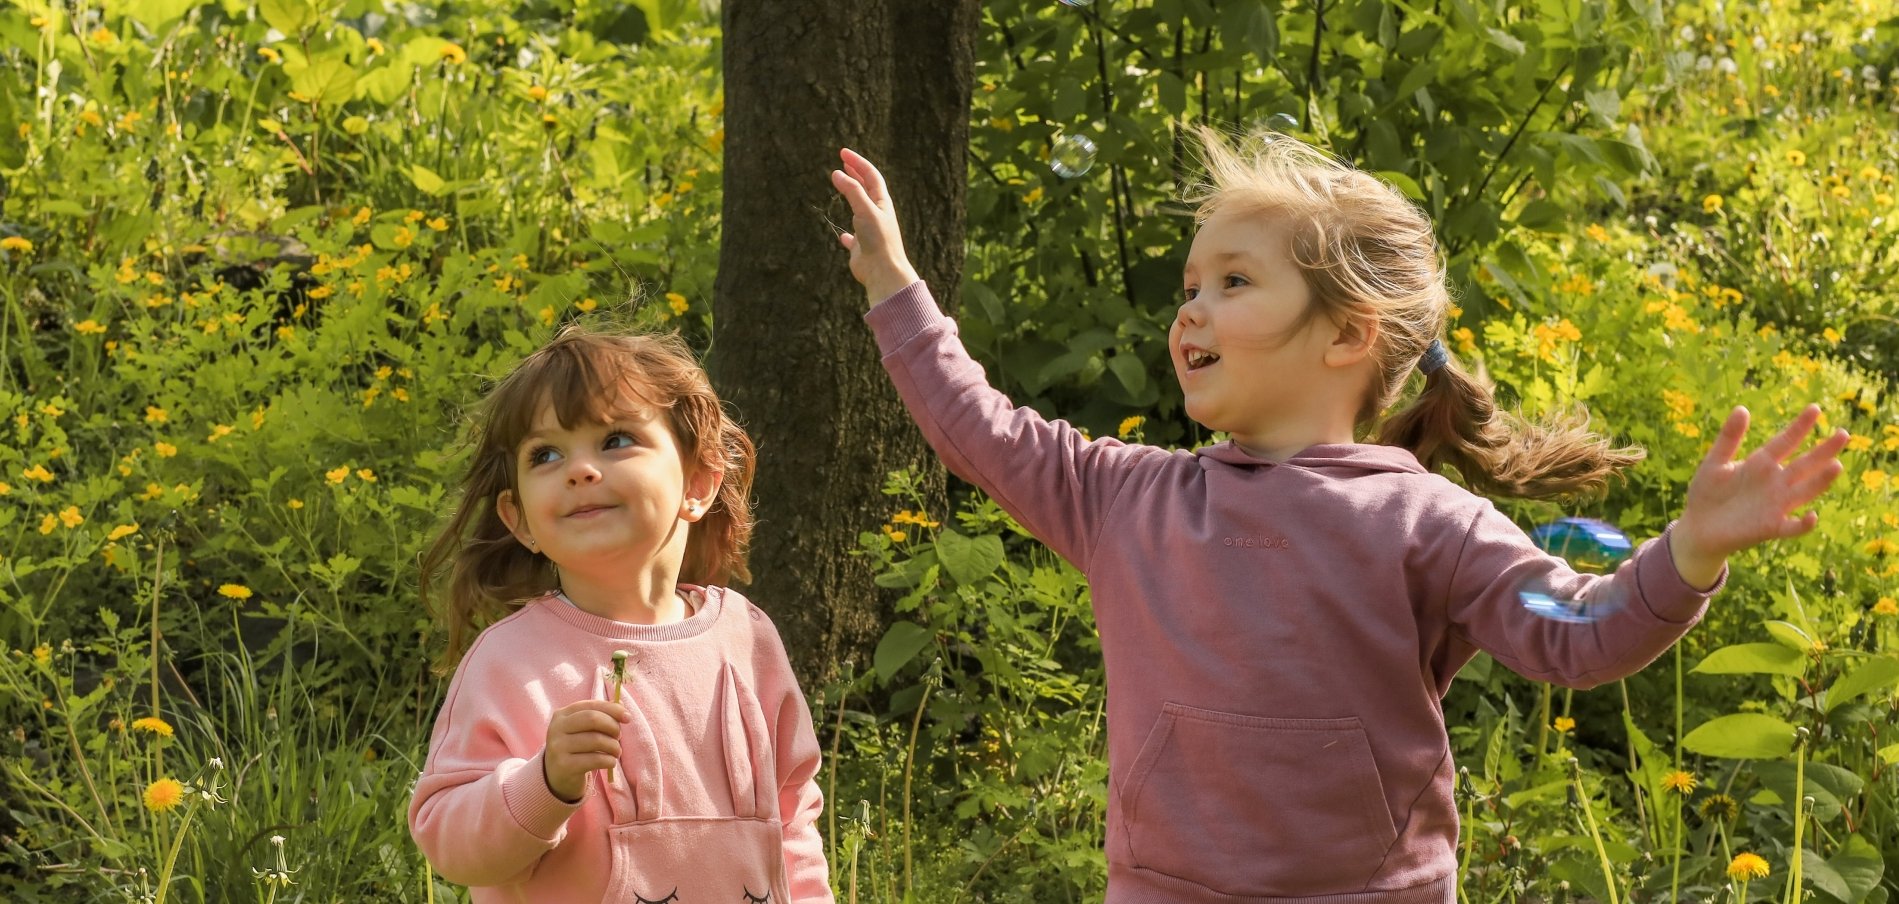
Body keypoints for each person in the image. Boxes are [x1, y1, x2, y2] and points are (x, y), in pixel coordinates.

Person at [827, 130, 1848, 903]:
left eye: (1233, 282)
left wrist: (1691, 549)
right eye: (1190, 285)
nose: (1190, 310)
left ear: (1347, 336)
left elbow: (1578, 632)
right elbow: (980, 427)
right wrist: (895, 288)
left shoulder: (1425, 520)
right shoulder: (1125, 496)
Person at [408, 324, 834, 903]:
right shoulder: (511, 662)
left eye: (615, 440)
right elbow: (448, 843)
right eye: (546, 454)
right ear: (520, 520)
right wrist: (544, 783)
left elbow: (794, 817)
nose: (580, 470)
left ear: (698, 482)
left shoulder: (747, 637)